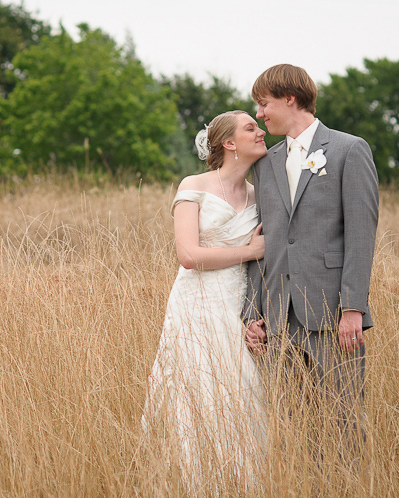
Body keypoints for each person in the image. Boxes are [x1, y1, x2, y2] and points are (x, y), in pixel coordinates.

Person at [243, 64, 379, 465]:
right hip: (279, 318)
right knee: (289, 430)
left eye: (263, 104)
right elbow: (262, 242)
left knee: (342, 425)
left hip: (332, 314)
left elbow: (361, 234)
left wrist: (353, 307)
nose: (259, 115)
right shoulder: (265, 163)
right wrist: (254, 312)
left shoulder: (349, 149)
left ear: (290, 98)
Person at [142, 110, 268, 490]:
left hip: (238, 306)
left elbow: (264, 266)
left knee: (243, 398)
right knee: (197, 396)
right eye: (251, 128)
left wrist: (257, 314)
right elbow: (189, 256)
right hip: (196, 307)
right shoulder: (193, 186)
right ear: (229, 143)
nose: (261, 131)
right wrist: (251, 251)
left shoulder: (259, 193)